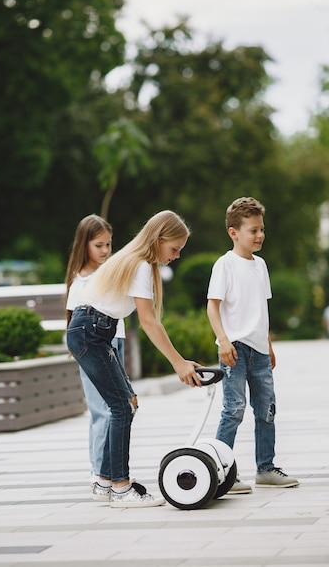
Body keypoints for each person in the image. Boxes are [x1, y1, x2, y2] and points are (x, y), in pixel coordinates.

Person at [66, 210, 202, 508]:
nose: (176, 256)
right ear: (159, 239)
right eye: (174, 248)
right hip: (90, 331)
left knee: (126, 403)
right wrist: (179, 363)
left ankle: (105, 482)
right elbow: (150, 322)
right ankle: (121, 488)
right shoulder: (139, 265)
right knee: (122, 408)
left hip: (92, 331)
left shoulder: (135, 261)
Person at [206, 197, 299, 492]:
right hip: (234, 347)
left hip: (259, 349)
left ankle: (266, 468)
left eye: (261, 230)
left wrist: (268, 344)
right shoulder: (225, 265)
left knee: (267, 409)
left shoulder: (261, 266)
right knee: (233, 409)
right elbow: (212, 306)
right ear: (234, 233)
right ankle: (223, 473)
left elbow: (261, 309)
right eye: (253, 230)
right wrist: (222, 340)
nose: (259, 235)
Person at [65, 214, 126, 502]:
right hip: (92, 345)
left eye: (108, 244)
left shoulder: (110, 272)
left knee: (118, 407)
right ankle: (98, 475)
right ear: (84, 245)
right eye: (99, 245)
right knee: (102, 410)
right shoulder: (80, 281)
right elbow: (73, 319)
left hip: (117, 340)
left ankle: (114, 472)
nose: (105, 251)